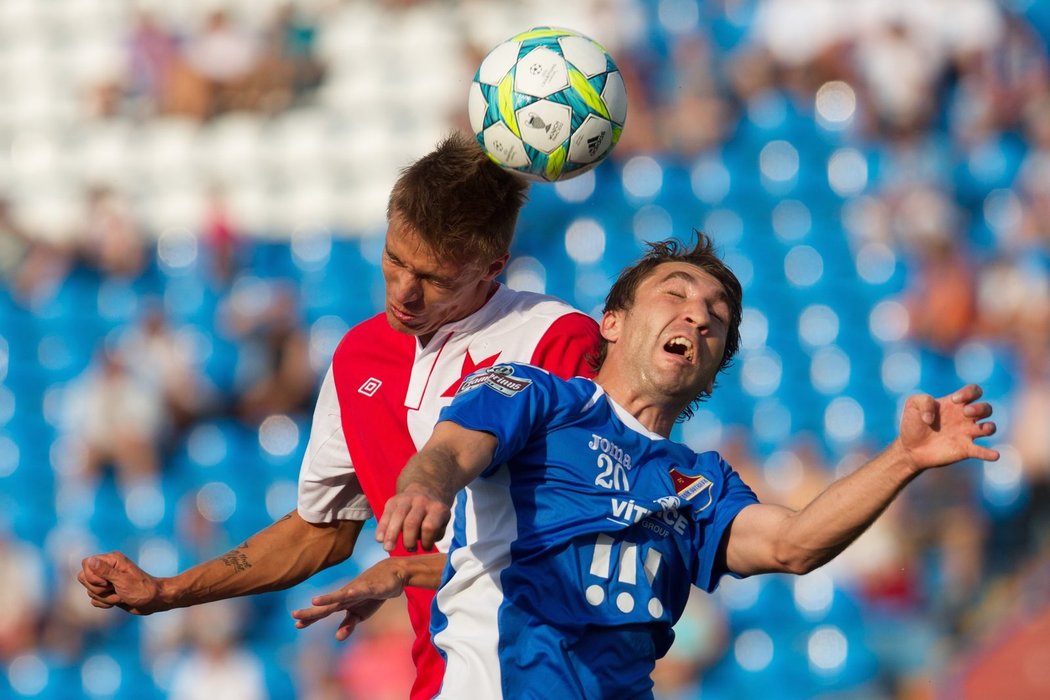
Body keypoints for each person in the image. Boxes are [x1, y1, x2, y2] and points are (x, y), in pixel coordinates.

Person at [303, 235, 999, 697]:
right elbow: (454, 448)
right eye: (676, 293)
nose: (698, 315)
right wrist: (425, 489)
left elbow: (792, 544)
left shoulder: (700, 485)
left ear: (712, 368)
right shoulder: (537, 395)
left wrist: (904, 458)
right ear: (611, 321)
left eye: (716, 316)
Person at [77, 132, 602, 700]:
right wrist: (168, 591)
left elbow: (582, 534)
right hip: (445, 679)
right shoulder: (360, 356)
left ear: (492, 266)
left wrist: (407, 570)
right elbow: (320, 531)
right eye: (394, 259)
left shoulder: (557, 338)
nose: (404, 291)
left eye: (433, 279)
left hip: (561, 673)